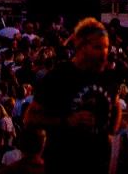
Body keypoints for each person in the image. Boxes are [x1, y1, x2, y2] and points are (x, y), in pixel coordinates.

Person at [25, 16, 116, 174]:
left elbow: (115, 105)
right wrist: (67, 121)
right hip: (64, 164)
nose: (104, 53)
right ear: (81, 47)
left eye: (106, 47)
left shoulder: (107, 76)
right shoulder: (59, 76)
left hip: (100, 165)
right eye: (97, 47)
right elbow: (30, 118)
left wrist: (111, 133)